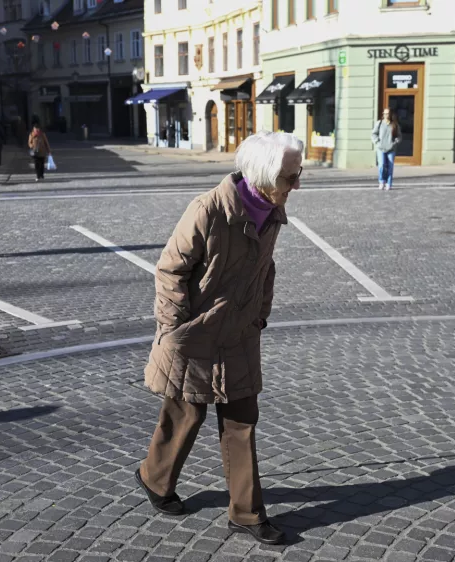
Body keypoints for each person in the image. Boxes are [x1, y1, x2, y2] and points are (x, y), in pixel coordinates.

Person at [135, 131, 303, 546]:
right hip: (196, 332)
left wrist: (259, 314)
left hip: (241, 334)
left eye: (299, 174)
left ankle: (246, 514)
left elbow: (266, 268)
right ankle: (155, 478)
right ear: (263, 176)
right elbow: (170, 271)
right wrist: (175, 327)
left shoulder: (273, 211)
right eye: (290, 176)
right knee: (185, 413)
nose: (296, 184)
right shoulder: (207, 209)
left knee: (241, 423)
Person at [372, 107, 401, 191]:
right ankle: (382, 181)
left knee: (390, 166)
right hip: (381, 148)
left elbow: (399, 136)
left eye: (387, 113)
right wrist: (377, 141)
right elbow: (373, 134)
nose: (386, 115)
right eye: (384, 113)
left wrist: (395, 142)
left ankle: (389, 183)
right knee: (381, 165)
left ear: (390, 114)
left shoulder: (394, 124)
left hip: (391, 149)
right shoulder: (379, 123)